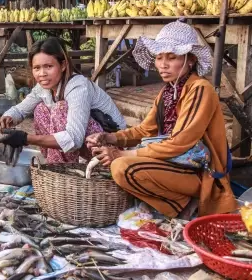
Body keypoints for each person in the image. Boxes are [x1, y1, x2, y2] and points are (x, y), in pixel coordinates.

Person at [86, 20, 237, 218]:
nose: (162, 65)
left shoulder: (201, 89)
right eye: (159, 58)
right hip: (173, 165)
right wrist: (110, 137)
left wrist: (122, 154)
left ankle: (187, 203)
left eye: (171, 57)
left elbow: (179, 144)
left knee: (122, 167)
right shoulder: (167, 93)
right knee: (120, 165)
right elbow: (144, 131)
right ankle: (181, 204)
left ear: (190, 60)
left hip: (200, 172)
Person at [0, 37, 126, 164]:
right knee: (40, 110)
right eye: (37, 68)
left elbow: (74, 139)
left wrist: (25, 139)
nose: (42, 73)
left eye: (48, 66)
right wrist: (9, 117)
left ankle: (59, 168)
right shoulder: (43, 88)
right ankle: (56, 165)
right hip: (86, 142)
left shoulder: (78, 86)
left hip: (111, 148)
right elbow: (20, 109)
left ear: (63, 65)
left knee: (60, 108)